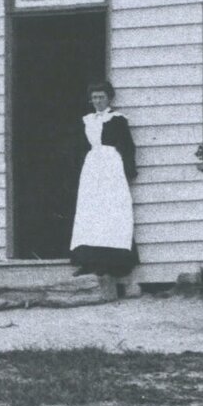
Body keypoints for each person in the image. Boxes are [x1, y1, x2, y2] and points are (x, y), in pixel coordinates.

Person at [69, 80, 138, 288]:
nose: (97, 101)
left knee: (111, 212)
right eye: (94, 97)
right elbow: (80, 147)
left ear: (109, 98)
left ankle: (111, 263)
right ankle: (88, 262)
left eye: (101, 97)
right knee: (90, 212)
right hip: (92, 168)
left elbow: (128, 146)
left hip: (112, 169)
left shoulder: (118, 120)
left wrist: (128, 171)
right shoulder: (87, 120)